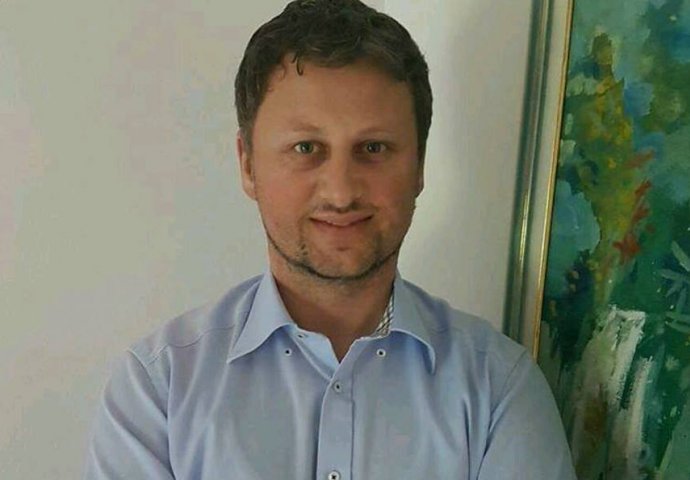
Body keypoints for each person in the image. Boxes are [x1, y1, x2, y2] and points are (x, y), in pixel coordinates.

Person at [84, 0, 576, 478]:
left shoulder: (499, 390)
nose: (341, 192)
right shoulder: (159, 391)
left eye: (374, 148)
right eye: (306, 148)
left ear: (419, 166)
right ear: (248, 164)